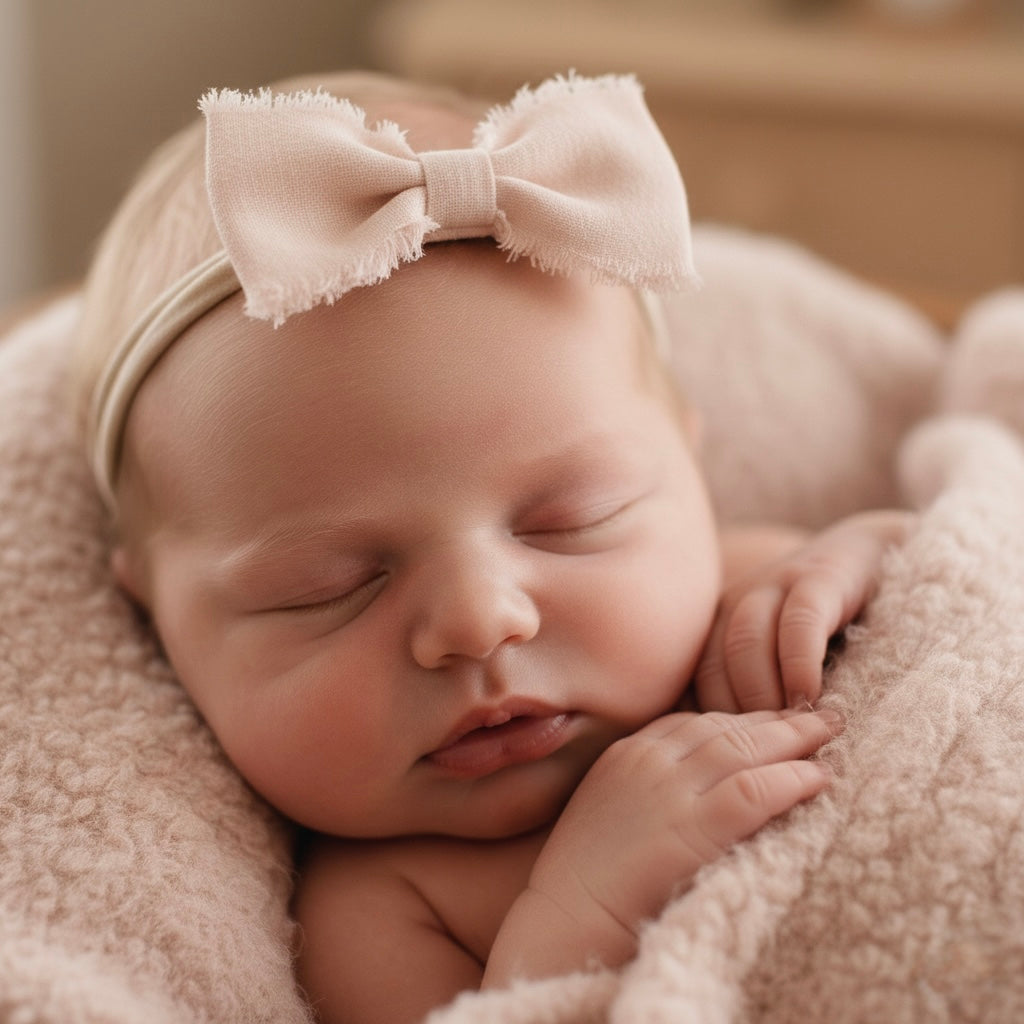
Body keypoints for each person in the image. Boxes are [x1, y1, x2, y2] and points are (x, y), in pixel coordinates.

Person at [72, 70, 910, 1024]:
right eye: (326, 587)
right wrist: (582, 908)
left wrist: (859, 558)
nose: (479, 620)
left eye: (571, 519)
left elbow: (949, 589)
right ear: (157, 619)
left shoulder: (744, 593)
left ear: (689, 457)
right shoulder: (381, 911)